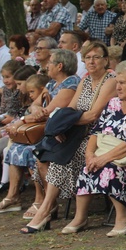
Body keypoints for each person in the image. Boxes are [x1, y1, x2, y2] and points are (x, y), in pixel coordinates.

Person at [22, 42, 116, 232]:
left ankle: (47, 209)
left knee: (68, 156)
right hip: (78, 133)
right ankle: (48, 207)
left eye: (96, 57)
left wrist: (67, 123)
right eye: (88, 57)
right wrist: (61, 127)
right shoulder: (85, 80)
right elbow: (70, 109)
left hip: (99, 134)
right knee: (54, 153)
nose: (91, 61)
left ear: (105, 60)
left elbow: (93, 115)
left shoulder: (111, 80)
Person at [60, 60, 126, 235]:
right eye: (117, 83)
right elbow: (96, 132)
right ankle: (80, 217)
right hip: (105, 153)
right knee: (87, 167)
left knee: (110, 169)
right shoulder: (113, 104)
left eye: (122, 83)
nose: (117, 87)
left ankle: (123, 218)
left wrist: (103, 159)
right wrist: (90, 155)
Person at [0, 50, 80, 216]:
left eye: (51, 62)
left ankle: (43, 200)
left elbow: (50, 111)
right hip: (45, 129)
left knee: (34, 152)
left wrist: (23, 120)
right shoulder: (51, 84)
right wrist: (36, 109)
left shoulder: (71, 84)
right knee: (15, 148)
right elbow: (35, 105)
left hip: (62, 132)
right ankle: (13, 197)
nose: (47, 66)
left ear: (59, 66)